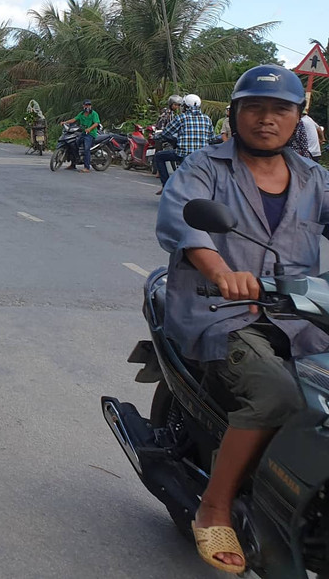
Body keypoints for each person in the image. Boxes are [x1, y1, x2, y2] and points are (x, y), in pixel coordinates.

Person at [156, 64, 329, 573]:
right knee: (279, 394)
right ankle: (215, 505)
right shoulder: (205, 167)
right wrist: (222, 271)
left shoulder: (313, 177)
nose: (266, 119)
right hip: (221, 310)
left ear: (299, 118)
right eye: (254, 107)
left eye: (280, 109)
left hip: (300, 317)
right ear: (235, 113)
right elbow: (181, 222)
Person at [153, 94, 215, 194]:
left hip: (184, 153)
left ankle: (166, 185)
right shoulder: (207, 119)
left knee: (159, 156)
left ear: (186, 106)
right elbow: (212, 138)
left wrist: (156, 137)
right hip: (202, 156)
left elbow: (166, 133)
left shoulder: (181, 118)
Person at [61, 100, 100, 172]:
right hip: (83, 133)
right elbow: (74, 119)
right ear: (83, 106)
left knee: (86, 149)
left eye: (89, 105)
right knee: (74, 145)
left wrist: (89, 129)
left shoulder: (94, 114)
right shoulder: (81, 114)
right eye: (86, 105)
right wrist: (65, 122)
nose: (87, 106)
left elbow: (96, 123)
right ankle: (73, 164)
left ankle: (87, 167)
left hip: (90, 134)